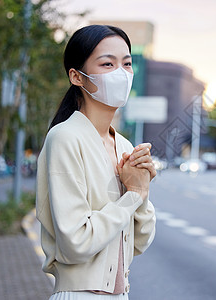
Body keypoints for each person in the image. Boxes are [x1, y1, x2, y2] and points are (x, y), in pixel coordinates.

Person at [36, 25, 156, 300]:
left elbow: (139, 242)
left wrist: (143, 193)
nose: (121, 74)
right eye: (107, 64)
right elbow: (75, 242)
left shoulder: (124, 146)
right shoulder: (65, 137)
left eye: (126, 64)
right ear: (77, 77)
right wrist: (132, 196)